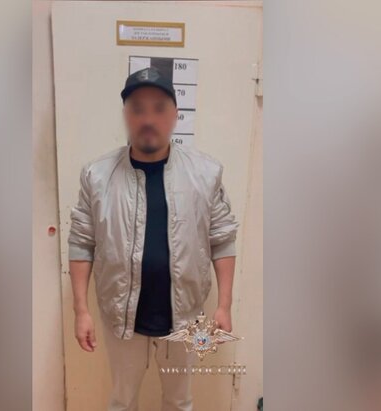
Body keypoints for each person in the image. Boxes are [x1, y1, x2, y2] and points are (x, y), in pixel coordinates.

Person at [67, 67, 240, 411]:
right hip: (121, 316)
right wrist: (80, 310)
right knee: (122, 401)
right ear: (125, 115)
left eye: (159, 108)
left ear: (175, 114)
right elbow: (81, 242)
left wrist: (224, 306)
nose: (148, 119)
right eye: (138, 109)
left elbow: (222, 238)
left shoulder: (205, 173)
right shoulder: (96, 176)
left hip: (186, 316)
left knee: (179, 401)